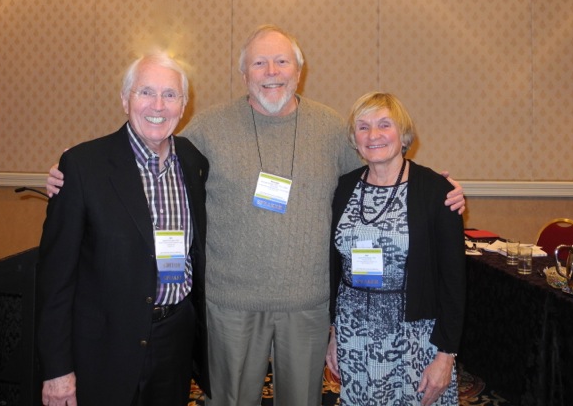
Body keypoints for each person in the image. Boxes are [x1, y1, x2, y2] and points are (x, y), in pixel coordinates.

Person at [46, 25, 465, 406]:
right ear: (243, 73)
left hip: (307, 306)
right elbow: (152, 147)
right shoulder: (207, 130)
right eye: (259, 62)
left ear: (299, 71)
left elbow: (377, 168)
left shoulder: (331, 128)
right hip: (231, 306)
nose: (271, 71)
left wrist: (433, 188)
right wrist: (67, 179)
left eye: (282, 61)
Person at [36, 52, 210, 406]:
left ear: (184, 104)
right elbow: (55, 279)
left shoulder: (193, 161)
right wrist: (57, 369)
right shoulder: (83, 166)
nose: (158, 105)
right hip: (105, 346)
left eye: (170, 94)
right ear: (124, 99)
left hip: (174, 340)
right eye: (145, 92)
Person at [326, 92, 465, 406]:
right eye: (363, 127)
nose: (373, 135)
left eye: (384, 125)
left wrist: (445, 357)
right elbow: (335, 268)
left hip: (415, 337)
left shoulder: (435, 191)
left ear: (403, 135)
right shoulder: (344, 187)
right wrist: (335, 333)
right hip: (354, 333)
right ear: (354, 138)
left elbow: (453, 282)